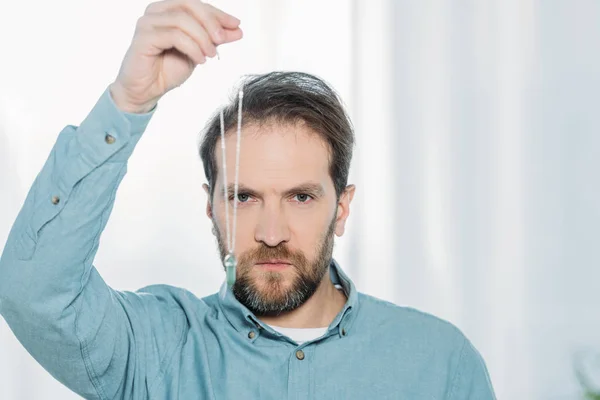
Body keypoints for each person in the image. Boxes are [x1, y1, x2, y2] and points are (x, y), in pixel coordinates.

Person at [0, 1, 496, 398]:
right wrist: (128, 101)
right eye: (243, 197)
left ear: (341, 208)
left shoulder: (440, 363)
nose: (272, 232)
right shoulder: (154, 348)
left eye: (301, 197)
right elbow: (35, 292)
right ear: (210, 205)